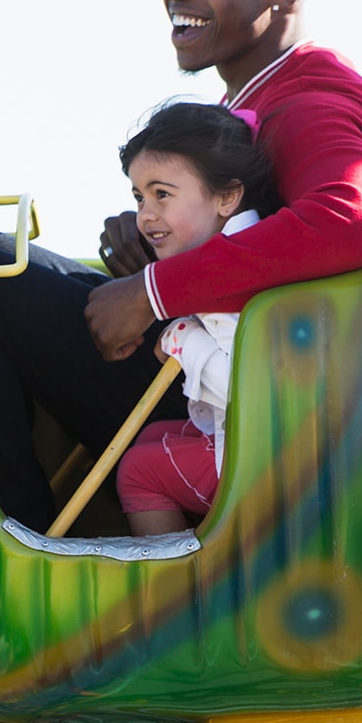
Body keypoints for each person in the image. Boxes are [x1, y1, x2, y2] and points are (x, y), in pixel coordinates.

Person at [0, 0, 362, 531]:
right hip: (213, 362)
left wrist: (153, 291)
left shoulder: (311, 99)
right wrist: (153, 248)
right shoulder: (255, 97)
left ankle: (12, 555)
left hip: (245, 405)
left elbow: (349, 221)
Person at [102, 104, 281, 535]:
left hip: (263, 465)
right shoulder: (244, 246)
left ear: (226, 197)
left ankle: (184, 592)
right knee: (149, 437)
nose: (145, 215)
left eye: (162, 194)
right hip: (259, 444)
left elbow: (247, 391)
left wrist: (181, 336)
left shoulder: (228, 272)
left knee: (137, 471)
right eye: (140, 197)